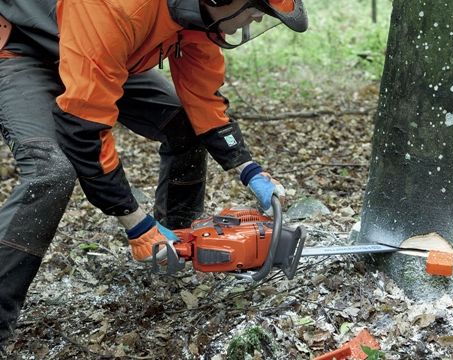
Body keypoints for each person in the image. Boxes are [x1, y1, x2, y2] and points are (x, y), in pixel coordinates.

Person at [0, 0, 307, 347]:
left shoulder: (196, 17)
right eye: (255, 9)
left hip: (107, 54)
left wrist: (249, 169)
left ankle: (175, 250)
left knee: (185, 125)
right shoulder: (117, 7)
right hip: (25, 48)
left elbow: (203, 100)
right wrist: (136, 224)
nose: (255, 18)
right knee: (50, 173)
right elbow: (83, 130)